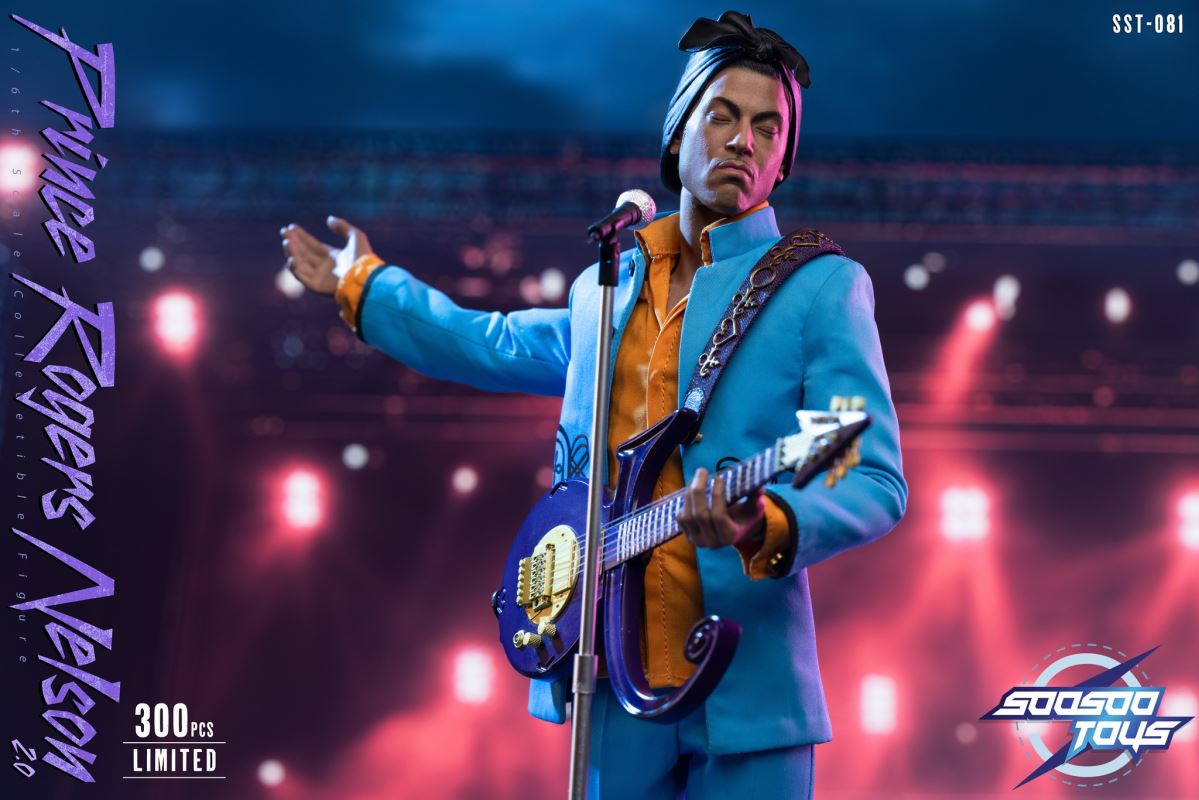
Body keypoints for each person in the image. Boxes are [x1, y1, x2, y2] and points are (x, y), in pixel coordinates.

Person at [281, 11, 906, 798]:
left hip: (747, 684)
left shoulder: (818, 288)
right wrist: (365, 285)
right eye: (722, 115)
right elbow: (490, 342)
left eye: (767, 127)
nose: (743, 141)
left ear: (784, 158)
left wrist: (766, 521)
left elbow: (872, 478)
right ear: (677, 131)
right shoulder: (603, 292)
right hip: (608, 671)